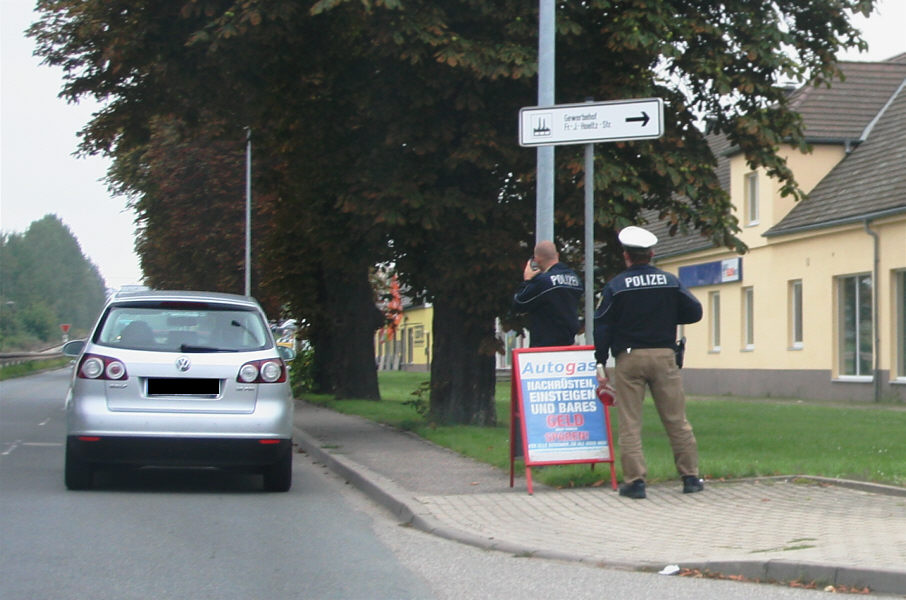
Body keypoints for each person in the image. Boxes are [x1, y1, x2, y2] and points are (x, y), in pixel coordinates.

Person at [593, 226, 704, 499]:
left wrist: (600, 361)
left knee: (630, 422)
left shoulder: (616, 286)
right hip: (665, 356)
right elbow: (695, 311)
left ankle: (635, 482)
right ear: (652, 254)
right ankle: (690, 477)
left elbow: (602, 325)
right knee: (676, 420)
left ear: (626, 256)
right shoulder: (670, 281)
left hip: (629, 358)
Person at [512, 240, 583, 347]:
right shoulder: (574, 278)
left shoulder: (543, 281)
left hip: (545, 347)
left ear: (536, 260)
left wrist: (527, 280)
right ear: (557, 255)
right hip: (569, 344)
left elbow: (519, 303)